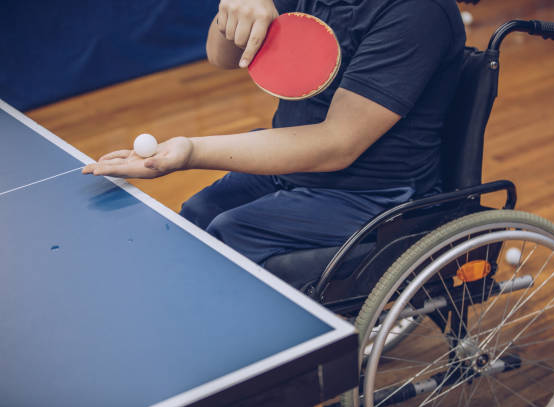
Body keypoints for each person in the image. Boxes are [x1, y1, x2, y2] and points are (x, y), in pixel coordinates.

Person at [83, 0, 466, 284]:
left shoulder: (418, 12)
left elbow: (337, 143)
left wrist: (191, 151)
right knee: (198, 215)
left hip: (374, 194)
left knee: (230, 233)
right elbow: (222, 57)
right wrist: (234, 9)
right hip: (296, 166)